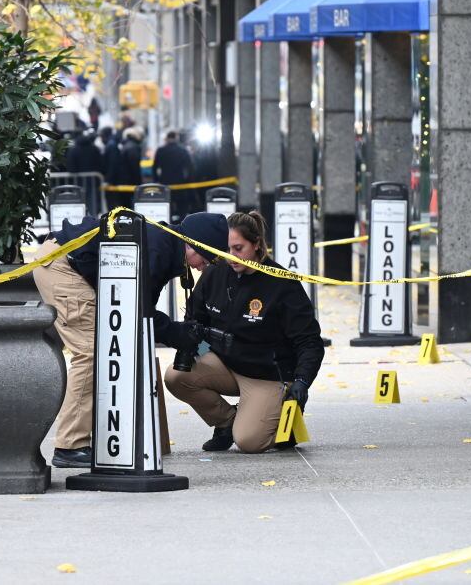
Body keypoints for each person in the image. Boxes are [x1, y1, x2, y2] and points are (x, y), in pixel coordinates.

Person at [32, 211, 230, 468]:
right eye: (206, 257)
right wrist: (176, 333)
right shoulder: (159, 251)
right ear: (192, 243)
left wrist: (173, 331)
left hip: (66, 262)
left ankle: (95, 438)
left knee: (108, 350)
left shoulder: (166, 247)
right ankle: (70, 445)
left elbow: (141, 310)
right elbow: (136, 309)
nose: (205, 266)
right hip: (63, 267)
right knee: (93, 353)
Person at [165, 211, 325, 454]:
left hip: (266, 374)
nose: (231, 256)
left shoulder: (282, 283)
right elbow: (193, 319)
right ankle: (226, 422)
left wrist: (302, 380)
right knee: (176, 376)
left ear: (257, 244)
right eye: (226, 249)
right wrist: (194, 347)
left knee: (250, 442)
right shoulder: (215, 272)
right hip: (226, 364)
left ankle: (282, 419)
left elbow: (310, 340)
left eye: (239, 248)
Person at [152, 130, 194, 221]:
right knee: (182, 208)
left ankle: (168, 229)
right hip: (180, 183)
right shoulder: (183, 150)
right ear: (176, 138)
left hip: (165, 183)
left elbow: (155, 167)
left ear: (167, 138)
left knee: (167, 207)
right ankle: (182, 228)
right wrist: (188, 181)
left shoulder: (161, 150)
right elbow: (190, 167)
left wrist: (157, 180)